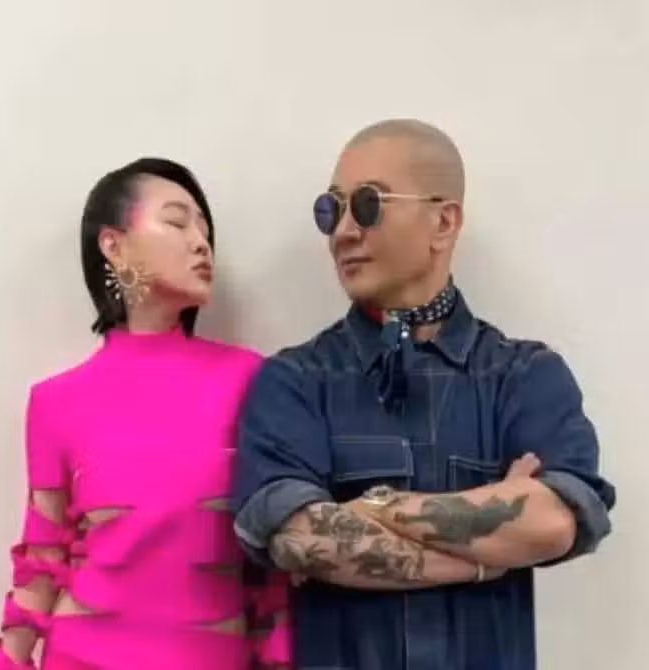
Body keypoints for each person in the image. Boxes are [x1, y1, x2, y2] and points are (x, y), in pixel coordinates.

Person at [232, 120, 616, 670]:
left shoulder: (524, 376)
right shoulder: (294, 380)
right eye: (330, 209)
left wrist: (372, 507)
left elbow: (555, 521)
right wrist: (485, 556)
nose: (343, 231)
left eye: (368, 204)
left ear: (443, 220)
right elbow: (297, 538)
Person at [0, 158, 290, 670]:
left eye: (205, 230)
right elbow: (41, 562)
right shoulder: (55, 402)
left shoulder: (250, 379)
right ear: (113, 244)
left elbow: (271, 563)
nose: (201, 243)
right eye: (177, 222)